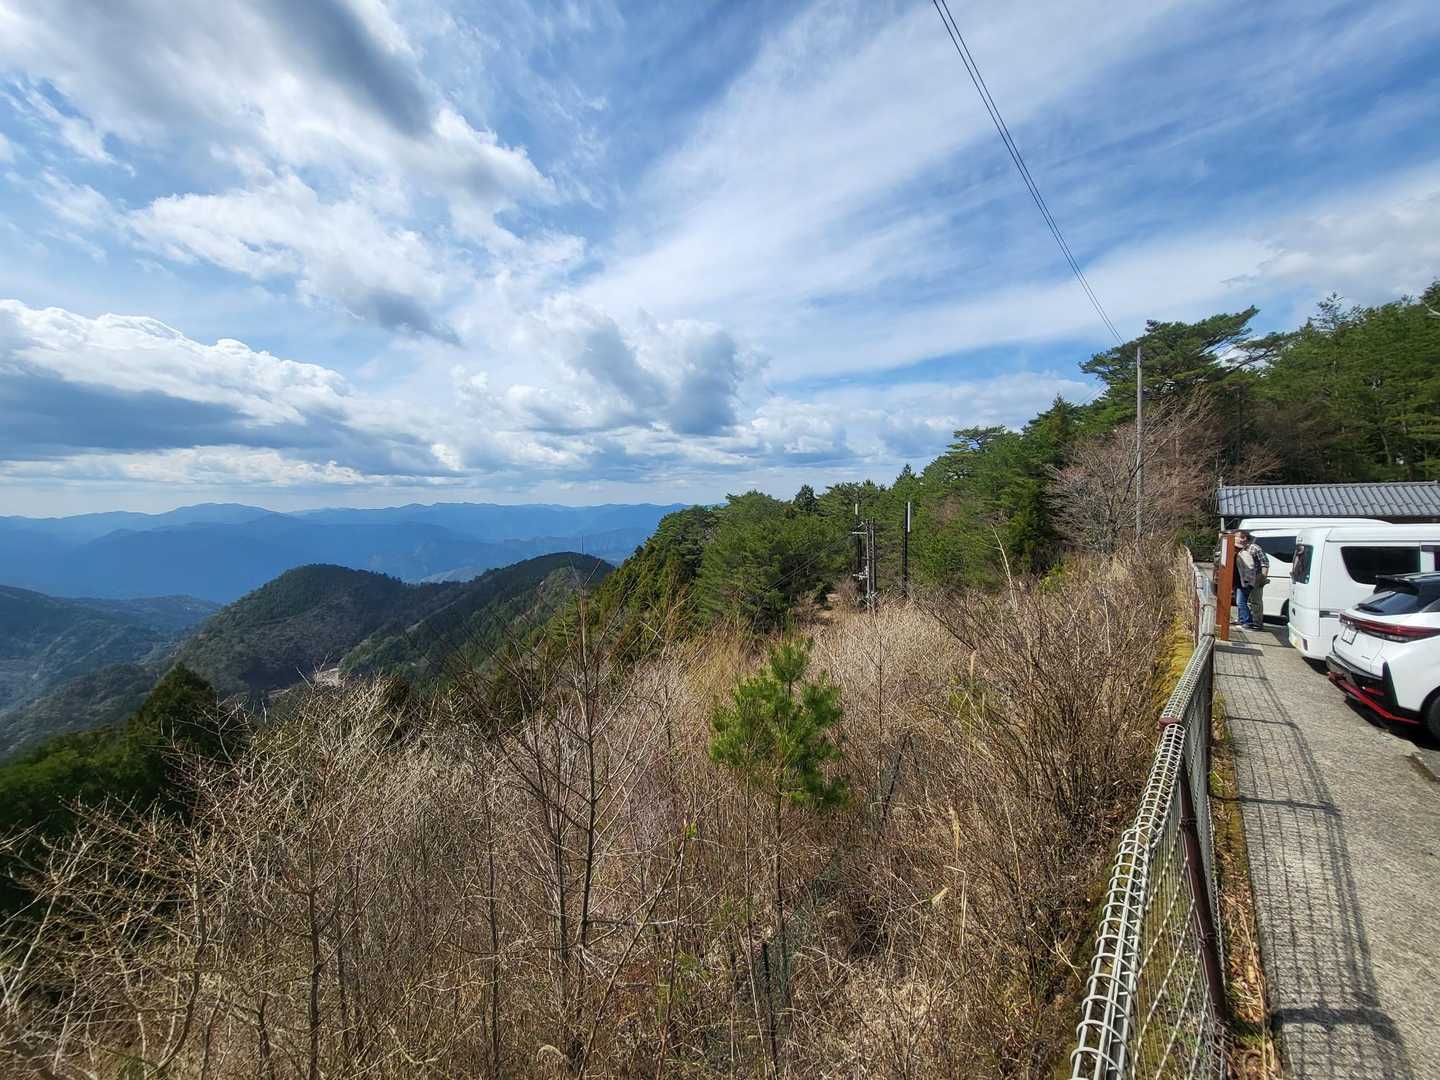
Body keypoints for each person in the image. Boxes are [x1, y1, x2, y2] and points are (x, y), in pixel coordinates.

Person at [1234, 530, 1269, 631]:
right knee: (1242, 601)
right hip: (1242, 579)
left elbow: (1265, 563)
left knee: (1254, 601)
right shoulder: (1239, 548)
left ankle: (1255, 623)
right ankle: (1242, 620)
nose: (1235, 539)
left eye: (1237, 537)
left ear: (1244, 538)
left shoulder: (1254, 548)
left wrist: (1262, 577)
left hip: (1255, 578)